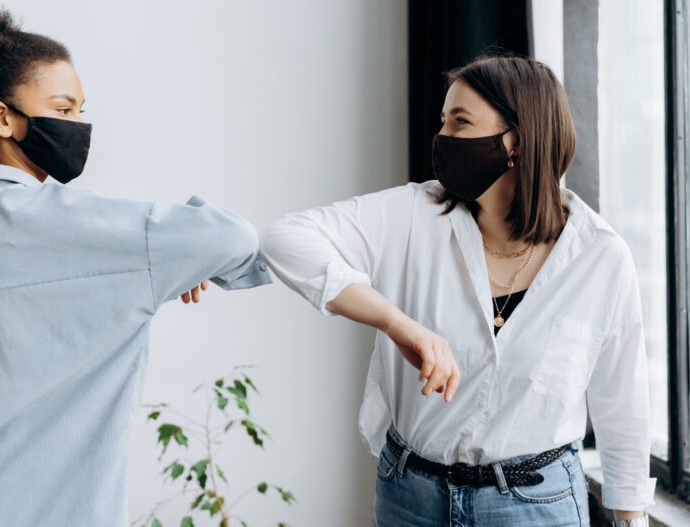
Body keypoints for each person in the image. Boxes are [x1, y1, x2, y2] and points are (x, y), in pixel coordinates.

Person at [0, 5, 270, 526]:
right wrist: (183, 263)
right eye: (64, 108)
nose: (79, 125)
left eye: (80, 110)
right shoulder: (76, 226)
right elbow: (233, 237)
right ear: (1, 117)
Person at [260, 55, 654, 526]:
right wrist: (397, 323)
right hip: (411, 497)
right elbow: (284, 238)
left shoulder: (600, 258)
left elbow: (622, 408)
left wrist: (631, 521)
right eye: (443, 121)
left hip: (535, 507)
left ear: (519, 142)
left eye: (460, 122)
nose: (443, 138)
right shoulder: (414, 214)